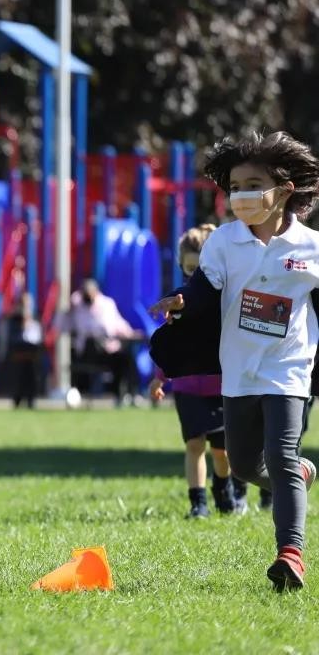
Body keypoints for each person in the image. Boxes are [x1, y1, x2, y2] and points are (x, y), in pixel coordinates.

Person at [149, 131, 319, 591]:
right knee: (244, 465)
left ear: (283, 190)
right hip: (238, 369)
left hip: (289, 368)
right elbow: (204, 288)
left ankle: (290, 554)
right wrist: (181, 301)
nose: (241, 195)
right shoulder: (223, 241)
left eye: (253, 186)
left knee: (280, 455)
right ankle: (300, 475)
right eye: (236, 187)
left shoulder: (311, 247)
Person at [148, 225, 248, 518]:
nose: (195, 277)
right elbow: (171, 344)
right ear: (182, 266)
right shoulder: (178, 303)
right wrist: (159, 377)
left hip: (222, 386)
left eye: (201, 270)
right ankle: (198, 503)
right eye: (190, 270)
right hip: (187, 388)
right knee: (194, 445)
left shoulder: (225, 301)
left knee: (222, 451)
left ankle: (224, 490)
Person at [64, 279, 141, 406]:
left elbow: (118, 323)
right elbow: (65, 324)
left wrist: (131, 333)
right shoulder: (77, 305)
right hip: (85, 354)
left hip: (105, 351)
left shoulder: (106, 304)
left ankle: (130, 394)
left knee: (126, 359)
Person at [5, 292, 42, 409]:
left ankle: (31, 400)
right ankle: (17, 400)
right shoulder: (14, 320)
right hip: (19, 351)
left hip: (32, 351)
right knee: (18, 378)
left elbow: (38, 336)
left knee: (32, 377)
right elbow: (11, 337)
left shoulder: (35, 318)